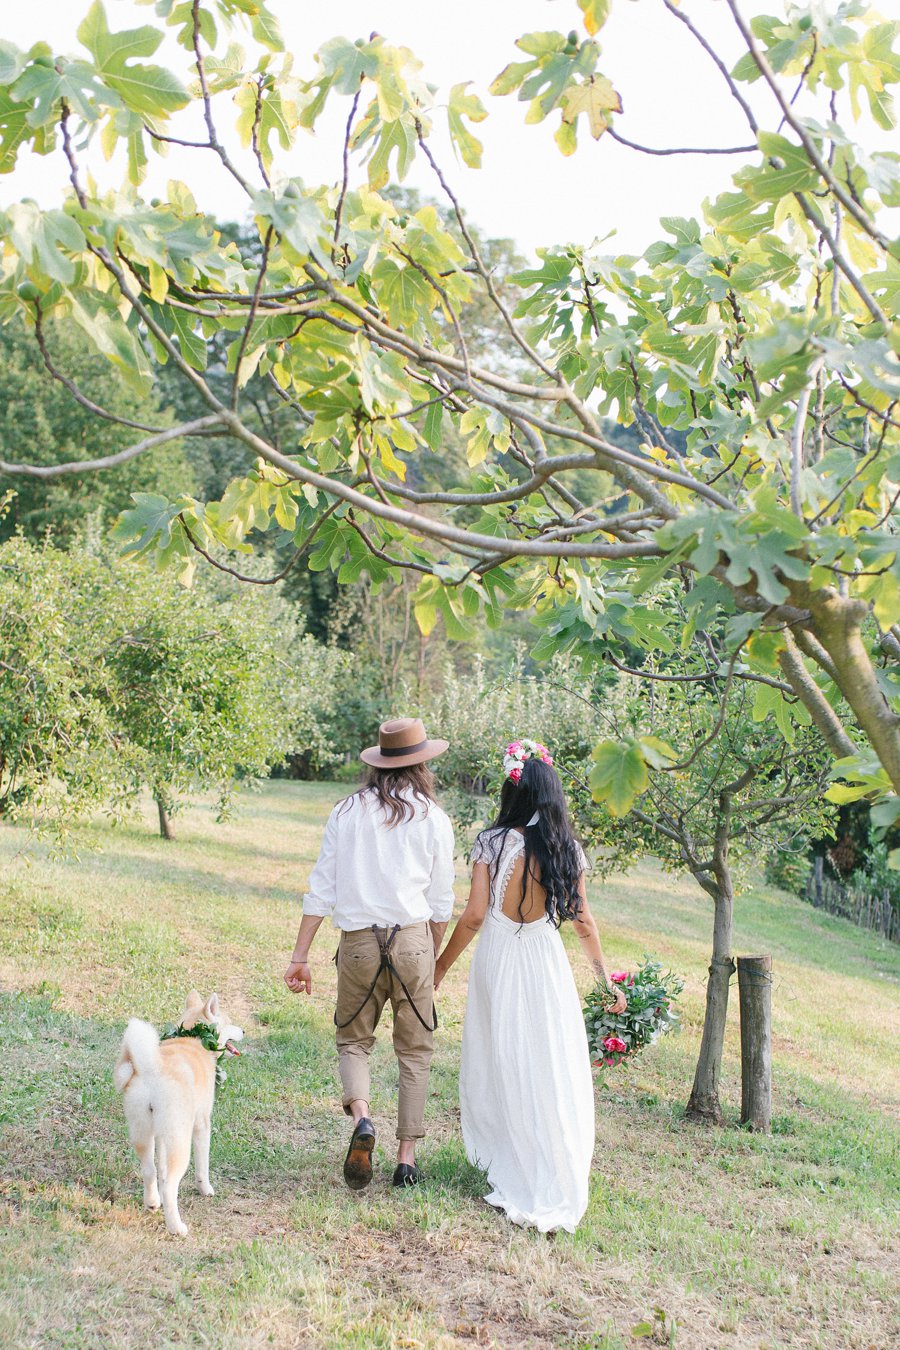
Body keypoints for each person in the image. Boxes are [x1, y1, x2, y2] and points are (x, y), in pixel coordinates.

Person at [434, 739, 627, 1234]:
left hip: (499, 958)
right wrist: (605, 981)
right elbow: (583, 921)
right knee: (547, 1061)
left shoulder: (492, 842)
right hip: (545, 962)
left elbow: (475, 916)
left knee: (501, 1057)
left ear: (511, 788)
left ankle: (509, 1156)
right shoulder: (567, 848)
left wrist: (438, 971)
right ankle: (547, 1158)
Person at [284, 718, 455, 1190]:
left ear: (377, 764)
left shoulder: (345, 812)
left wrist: (300, 956)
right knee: (415, 1050)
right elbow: (442, 904)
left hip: (358, 942)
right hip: (415, 941)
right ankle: (406, 1161)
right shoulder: (434, 819)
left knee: (354, 1041)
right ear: (422, 764)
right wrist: (431, 960)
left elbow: (321, 889)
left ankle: (362, 1118)